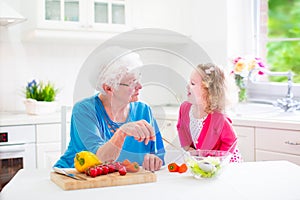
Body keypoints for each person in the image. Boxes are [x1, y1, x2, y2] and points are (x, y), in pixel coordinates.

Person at [54, 52, 165, 171]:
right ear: (108, 88)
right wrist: (122, 132)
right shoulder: (84, 110)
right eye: (132, 82)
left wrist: (153, 159)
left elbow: (158, 155)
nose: (140, 86)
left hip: (122, 183)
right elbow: (99, 160)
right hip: (76, 180)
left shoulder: (143, 110)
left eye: (138, 79)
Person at [176, 63, 241, 162]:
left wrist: (218, 160)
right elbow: (181, 128)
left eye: (193, 83)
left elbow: (231, 140)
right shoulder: (184, 108)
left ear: (209, 91)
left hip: (225, 163)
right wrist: (187, 148)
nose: (187, 86)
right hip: (203, 163)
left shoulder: (219, 118)